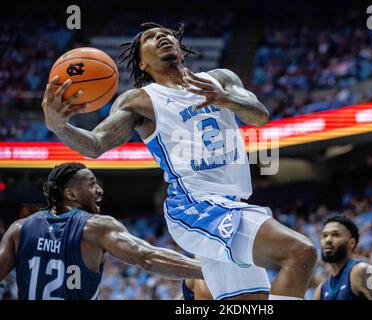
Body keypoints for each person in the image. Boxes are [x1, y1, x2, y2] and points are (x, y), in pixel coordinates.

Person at [42, 22, 317, 300]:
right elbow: (95, 144)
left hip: (232, 204)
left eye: (166, 34)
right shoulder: (140, 101)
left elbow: (260, 116)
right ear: (142, 63)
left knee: (250, 303)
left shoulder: (220, 79)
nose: (161, 36)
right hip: (194, 205)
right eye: (150, 37)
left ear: (181, 51)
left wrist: (227, 99)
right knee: (300, 252)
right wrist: (60, 126)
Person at [0, 162, 203, 300]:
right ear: (70, 194)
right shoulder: (96, 227)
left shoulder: (19, 229)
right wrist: (209, 271)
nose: (100, 190)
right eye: (92, 184)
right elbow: (146, 257)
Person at [313, 215, 372, 300]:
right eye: (324, 235)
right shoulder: (321, 290)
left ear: (352, 243)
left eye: (335, 235)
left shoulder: (364, 271)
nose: (328, 240)